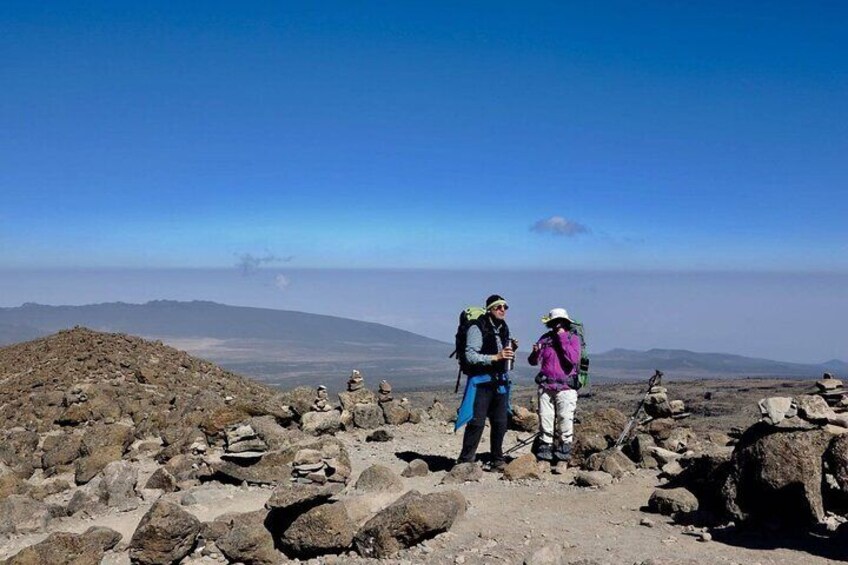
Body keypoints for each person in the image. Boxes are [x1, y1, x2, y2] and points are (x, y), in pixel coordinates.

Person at [455, 294, 516, 471]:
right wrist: (496, 357)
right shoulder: (477, 327)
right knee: (477, 421)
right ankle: (465, 460)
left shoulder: (503, 328)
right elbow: (471, 355)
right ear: (489, 309)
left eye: (505, 307)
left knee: (500, 421)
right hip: (481, 382)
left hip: (500, 381)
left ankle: (497, 459)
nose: (502, 310)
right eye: (498, 307)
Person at [528, 307, 581, 466]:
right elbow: (533, 361)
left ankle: (563, 458)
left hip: (566, 387)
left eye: (559, 322)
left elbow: (572, 359)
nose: (556, 325)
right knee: (546, 419)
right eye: (554, 322)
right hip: (546, 386)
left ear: (565, 322)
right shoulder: (545, 339)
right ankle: (544, 456)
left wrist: (562, 338)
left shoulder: (573, 339)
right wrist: (535, 353)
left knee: (565, 420)